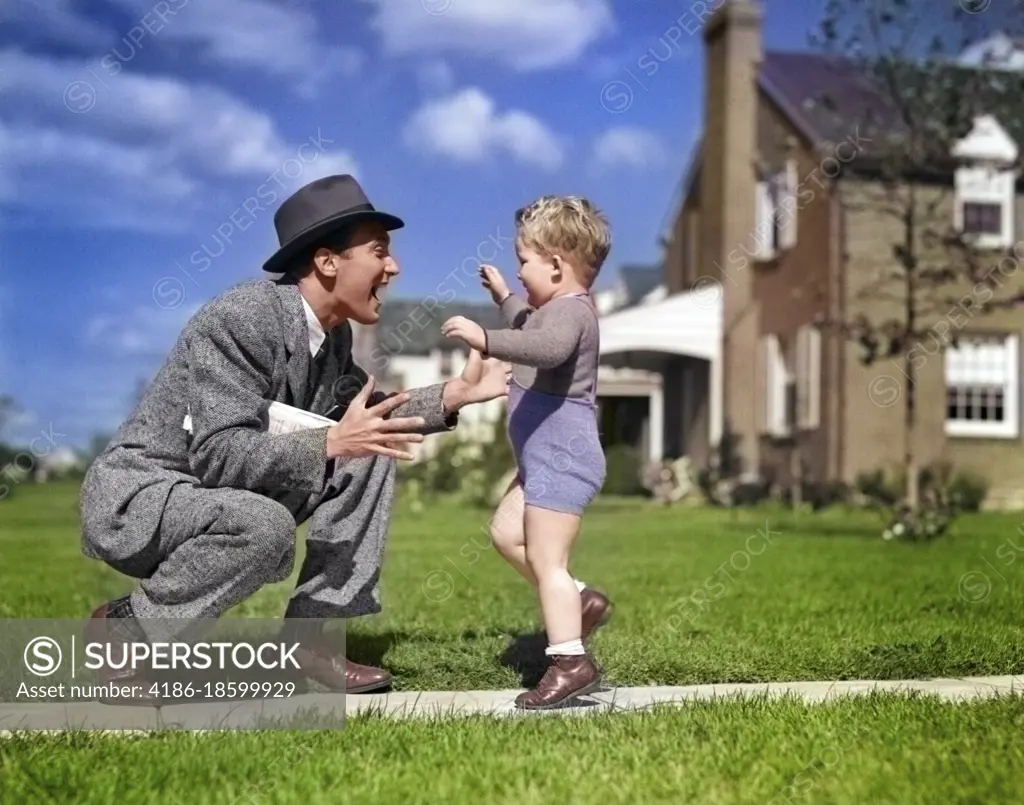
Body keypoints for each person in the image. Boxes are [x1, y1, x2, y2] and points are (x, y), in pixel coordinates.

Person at [79, 174, 508, 704]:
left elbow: (363, 415)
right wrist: (330, 444)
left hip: (209, 494)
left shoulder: (331, 335)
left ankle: (314, 638)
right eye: (380, 252)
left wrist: (454, 395)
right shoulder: (243, 318)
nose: (393, 267)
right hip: (144, 494)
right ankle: (123, 631)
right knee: (268, 524)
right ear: (327, 262)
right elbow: (218, 453)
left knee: (368, 452)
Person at [441, 194, 612, 710]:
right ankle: (580, 601)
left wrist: (486, 339)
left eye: (524, 262)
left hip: (563, 457)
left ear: (556, 266)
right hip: (542, 461)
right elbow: (530, 327)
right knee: (504, 534)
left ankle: (569, 662)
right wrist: (502, 300)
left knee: (546, 558)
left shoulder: (571, 316)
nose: (518, 272)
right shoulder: (552, 311)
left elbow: (546, 348)